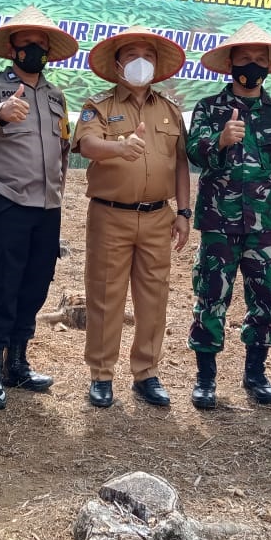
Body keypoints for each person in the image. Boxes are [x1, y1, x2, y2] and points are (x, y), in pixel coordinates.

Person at [0, 6, 78, 411]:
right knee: (3, 290)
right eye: (27, 42)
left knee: (34, 288)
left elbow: (62, 147)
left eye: (42, 43)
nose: (35, 48)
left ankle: (18, 364)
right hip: (6, 202)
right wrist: (0, 113)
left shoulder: (56, 96)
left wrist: (59, 189)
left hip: (47, 208)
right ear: (13, 47)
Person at [185, 22, 271, 410]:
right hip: (220, 222)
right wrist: (219, 140)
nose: (252, 64)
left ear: (269, 67)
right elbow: (193, 154)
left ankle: (256, 374)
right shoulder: (208, 108)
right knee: (211, 297)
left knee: (264, 298)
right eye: (244, 58)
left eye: (259, 59)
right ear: (230, 63)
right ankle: (205, 379)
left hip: (266, 224)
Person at [72, 27, 190, 408]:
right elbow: (87, 145)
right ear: (119, 64)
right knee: (105, 296)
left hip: (159, 217)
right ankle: (102, 374)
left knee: (153, 298)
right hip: (111, 215)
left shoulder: (170, 110)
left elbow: (182, 164)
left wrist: (184, 212)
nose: (142, 61)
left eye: (149, 55)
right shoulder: (99, 105)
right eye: (133, 54)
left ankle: (146, 373)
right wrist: (118, 147)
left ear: (156, 65)